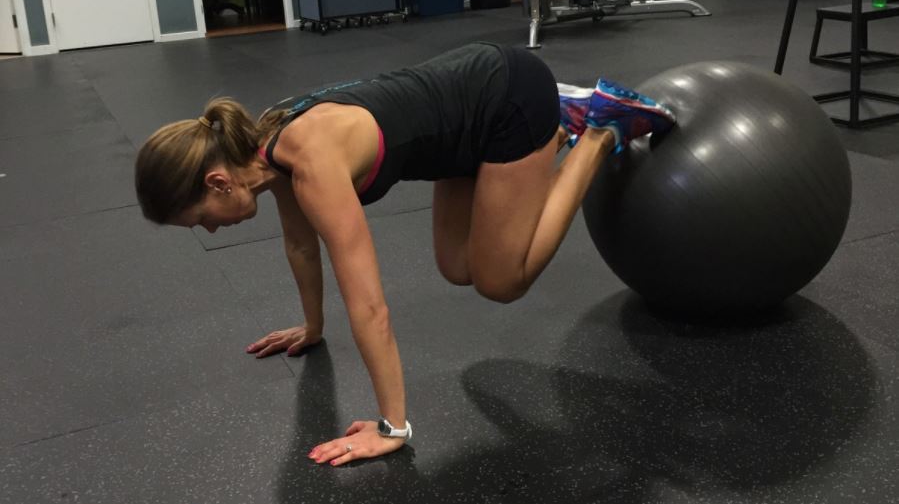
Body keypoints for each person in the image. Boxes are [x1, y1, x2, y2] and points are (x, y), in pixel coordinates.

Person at [134, 42, 675, 466]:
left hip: (504, 99)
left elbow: (370, 306)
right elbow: (301, 242)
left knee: (500, 281)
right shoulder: (265, 144)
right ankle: (559, 130)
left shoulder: (312, 166)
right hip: (464, 118)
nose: (208, 230)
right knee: (456, 266)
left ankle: (598, 128)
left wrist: (392, 427)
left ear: (220, 181)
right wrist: (312, 326)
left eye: (200, 217)